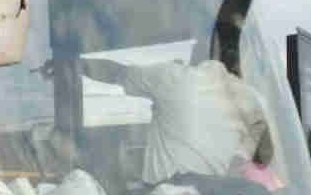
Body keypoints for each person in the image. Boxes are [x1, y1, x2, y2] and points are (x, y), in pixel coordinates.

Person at [63, 56, 272, 186]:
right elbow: (264, 156)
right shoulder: (254, 100)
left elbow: (116, 73)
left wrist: (71, 63)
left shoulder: (177, 78)